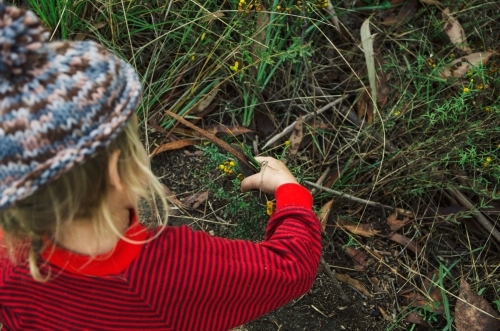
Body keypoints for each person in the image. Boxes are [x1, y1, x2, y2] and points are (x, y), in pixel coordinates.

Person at [0, 3, 322, 330]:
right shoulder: (174, 270)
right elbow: (290, 269)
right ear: (116, 170)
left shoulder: (10, 260)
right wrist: (291, 193)